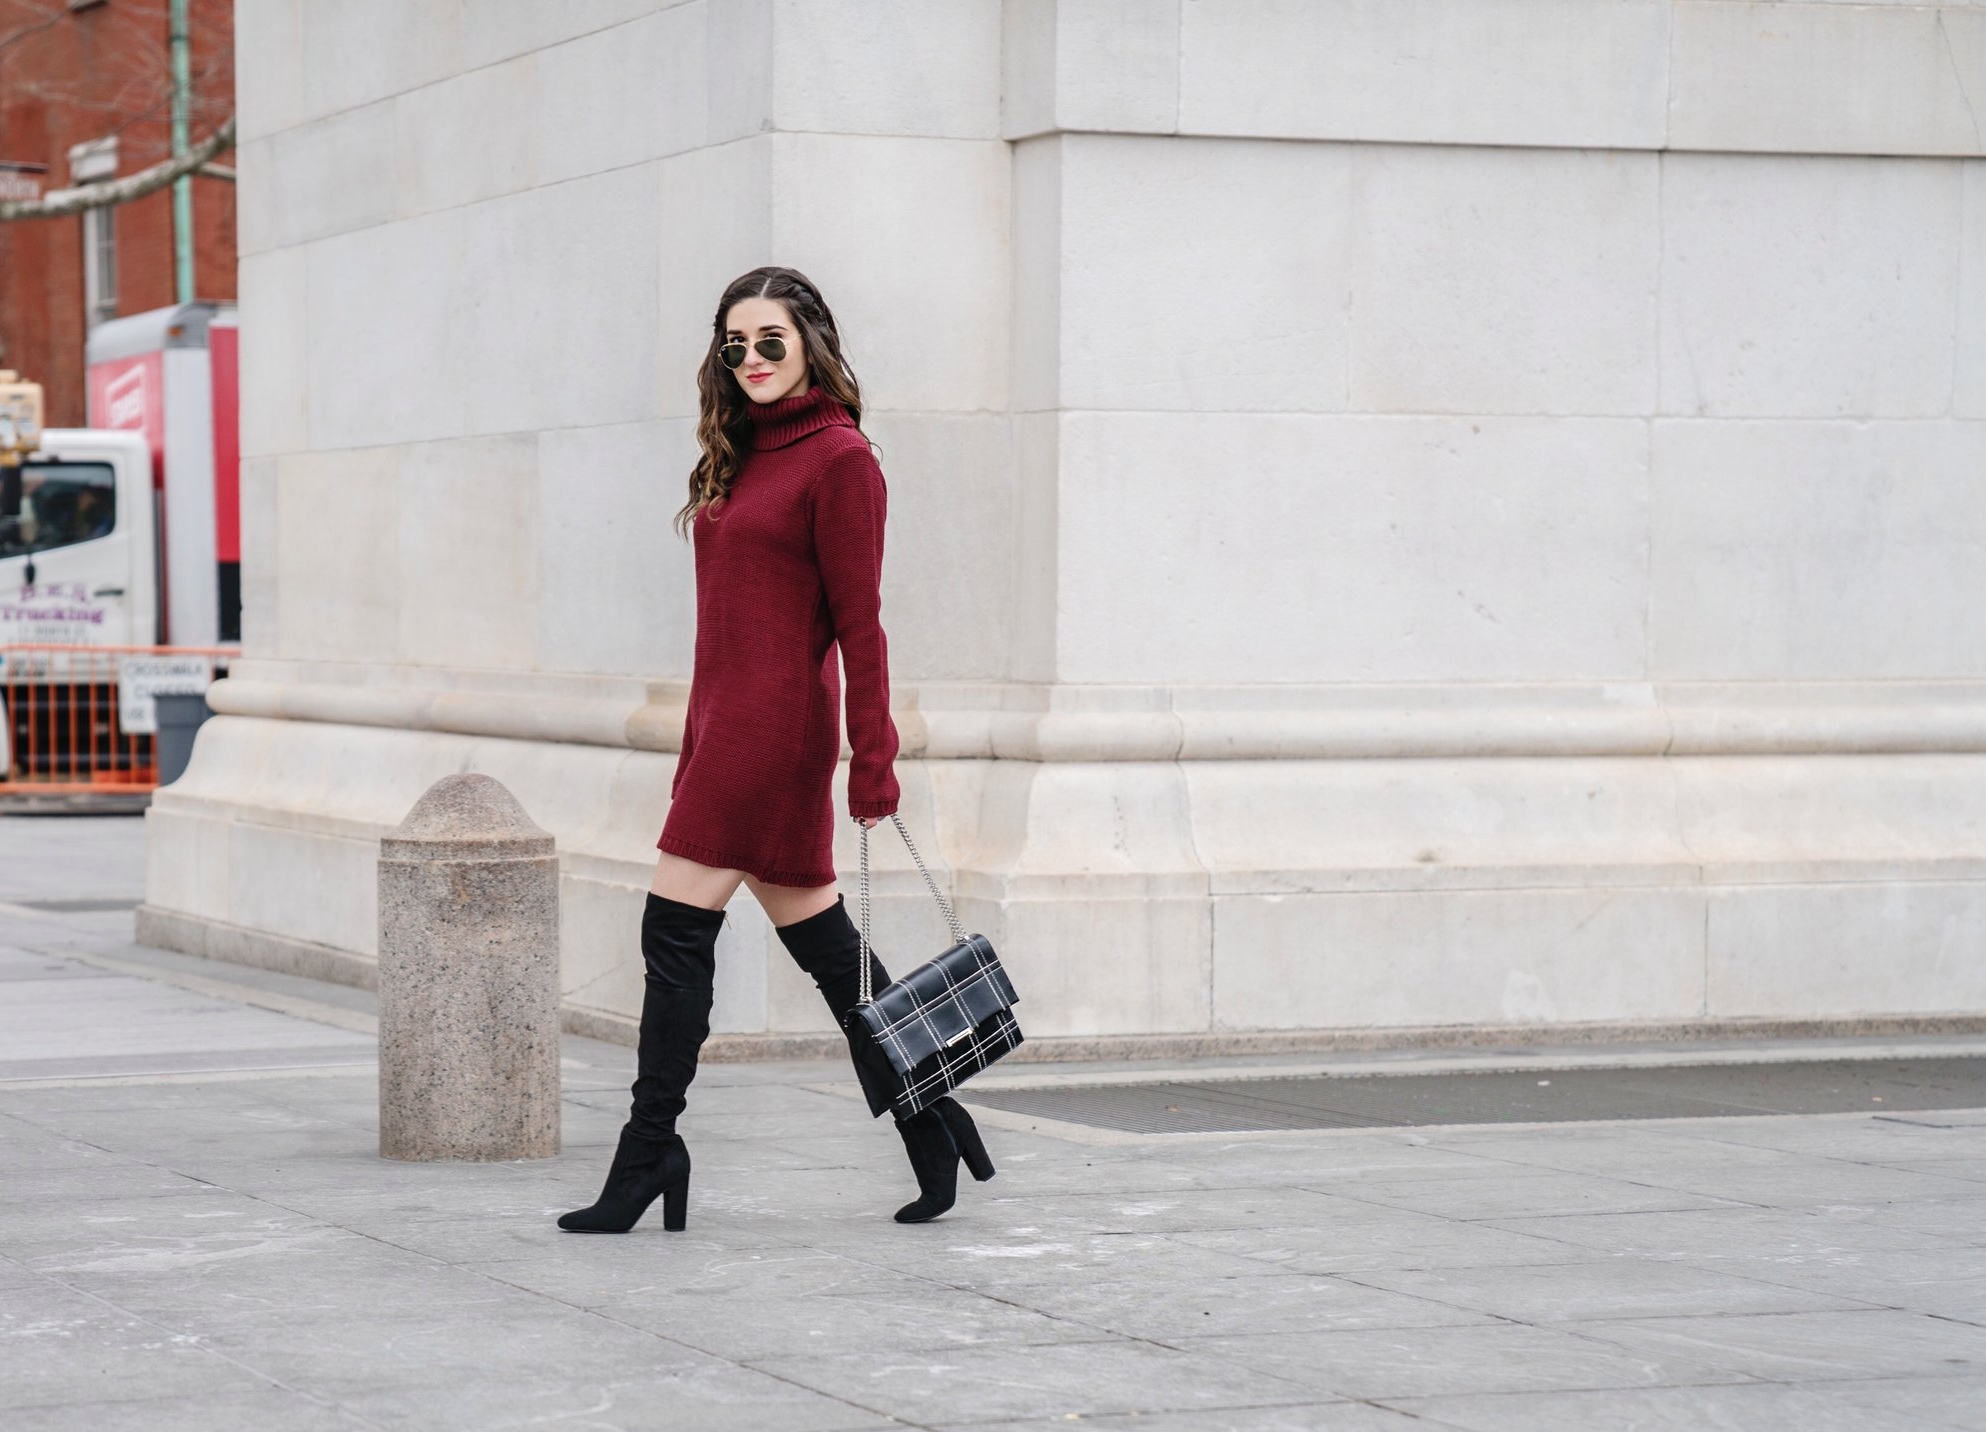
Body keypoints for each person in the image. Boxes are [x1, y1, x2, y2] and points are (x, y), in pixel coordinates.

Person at [558, 266, 995, 1235]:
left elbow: (861, 625)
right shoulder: (741, 454)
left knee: (673, 934)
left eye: (770, 342)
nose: (751, 360)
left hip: (776, 734)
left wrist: (872, 759)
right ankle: (931, 1116)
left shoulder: (841, 460)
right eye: (735, 346)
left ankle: (647, 1156)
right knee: (831, 954)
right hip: (723, 726)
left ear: (810, 343)